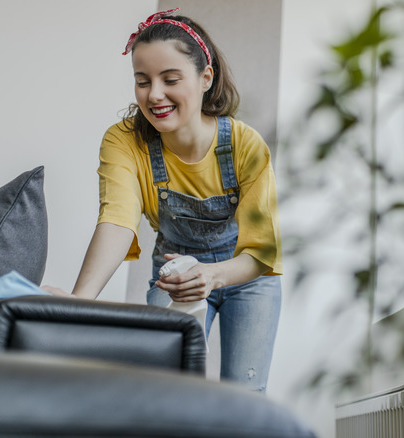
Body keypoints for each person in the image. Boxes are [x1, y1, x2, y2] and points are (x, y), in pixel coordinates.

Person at [43, 8, 282, 394]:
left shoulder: (244, 144)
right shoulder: (124, 141)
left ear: (206, 79)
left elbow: (261, 252)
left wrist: (212, 275)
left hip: (245, 278)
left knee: (245, 396)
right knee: (164, 387)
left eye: (170, 79)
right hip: (174, 276)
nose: (154, 95)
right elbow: (117, 221)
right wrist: (79, 302)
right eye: (142, 81)